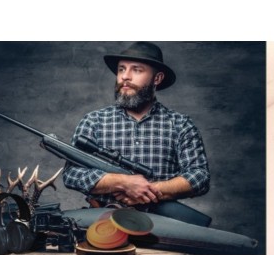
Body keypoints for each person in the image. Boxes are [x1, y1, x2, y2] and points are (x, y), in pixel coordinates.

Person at [62, 43, 210, 208]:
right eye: (121, 69)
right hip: (104, 220)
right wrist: (122, 182)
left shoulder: (181, 125)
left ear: (157, 78)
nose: (125, 76)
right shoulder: (94, 121)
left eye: (137, 70)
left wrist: (148, 191)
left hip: (160, 222)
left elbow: (200, 177)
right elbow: (71, 174)